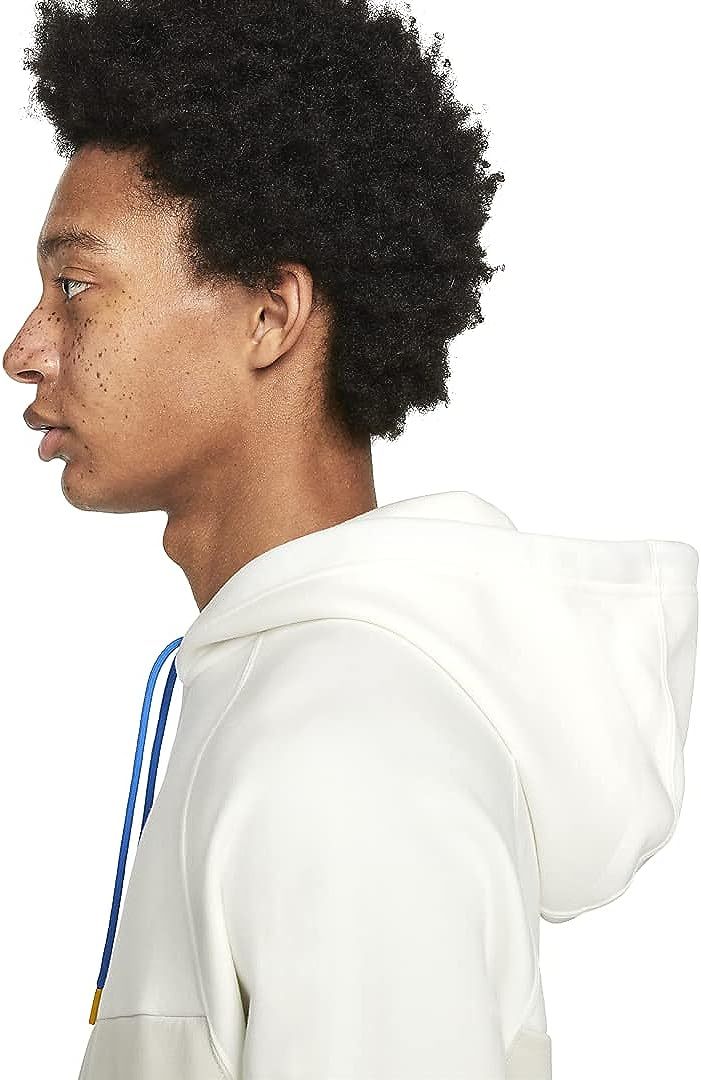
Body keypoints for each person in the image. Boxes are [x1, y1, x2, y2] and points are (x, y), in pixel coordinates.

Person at [4, 3, 697, 1079]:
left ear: (271, 313)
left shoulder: (343, 757)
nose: (25, 348)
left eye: (76, 287)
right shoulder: (288, 706)